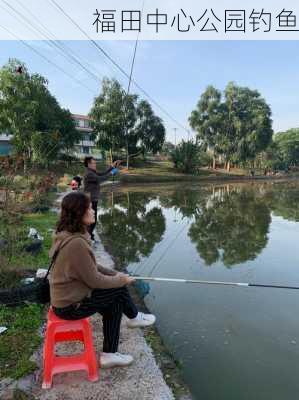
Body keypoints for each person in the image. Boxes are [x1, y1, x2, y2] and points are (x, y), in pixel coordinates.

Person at [49, 191, 156, 368]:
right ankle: (134, 317)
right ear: (79, 212)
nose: (93, 211)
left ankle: (110, 354)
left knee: (114, 302)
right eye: (89, 208)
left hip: (68, 299)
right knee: (118, 289)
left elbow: (93, 267)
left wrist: (116, 275)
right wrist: (121, 280)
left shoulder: (67, 234)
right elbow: (94, 281)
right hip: (69, 306)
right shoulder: (76, 243)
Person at [83, 157, 121, 241]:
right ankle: (88, 236)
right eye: (93, 163)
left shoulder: (92, 172)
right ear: (89, 164)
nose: (95, 164)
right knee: (92, 219)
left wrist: (112, 167)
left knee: (93, 218)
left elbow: (102, 173)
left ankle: (89, 235)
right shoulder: (89, 174)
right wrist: (112, 173)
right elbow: (101, 179)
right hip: (90, 199)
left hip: (93, 198)